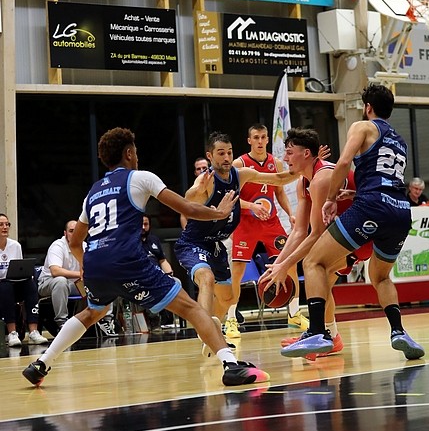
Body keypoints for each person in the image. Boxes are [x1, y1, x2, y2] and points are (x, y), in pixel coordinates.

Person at [22, 127, 269, 388]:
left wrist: (85, 265)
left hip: (95, 262)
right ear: (129, 153)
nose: (137, 156)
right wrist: (219, 213)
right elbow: (187, 208)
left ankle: (41, 364)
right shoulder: (141, 178)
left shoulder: (93, 191)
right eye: (136, 152)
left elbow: (75, 241)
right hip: (127, 260)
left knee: (92, 312)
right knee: (192, 308)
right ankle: (231, 365)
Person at [281, 84, 424, 360]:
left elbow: (344, 162)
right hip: (400, 211)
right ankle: (398, 331)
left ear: (368, 107)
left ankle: (318, 332)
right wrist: (356, 193)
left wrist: (331, 198)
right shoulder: (400, 141)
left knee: (313, 262)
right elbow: (386, 178)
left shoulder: (362, 126)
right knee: (380, 276)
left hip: (371, 207)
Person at [174, 130, 300, 354]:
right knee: (206, 278)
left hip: (217, 244)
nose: (226, 157)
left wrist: (305, 167)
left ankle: (211, 333)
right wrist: (198, 191)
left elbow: (279, 179)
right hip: (195, 242)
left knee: (227, 298)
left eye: (229, 152)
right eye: (220, 153)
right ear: (210, 156)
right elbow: (188, 198)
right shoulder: (206, 180)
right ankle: (207, 334)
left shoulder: (240, 175)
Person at [259, 127, 372, 357]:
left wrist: (285, 265)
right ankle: (328, 336)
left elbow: (316, 234)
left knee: (316, 269)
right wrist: (277, 265)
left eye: (289, 153)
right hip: (342, 234)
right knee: (321, 280)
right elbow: (299, 231)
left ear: (307, 154)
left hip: (365, 232)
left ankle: (320, 334)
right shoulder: (304, 182)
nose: (285, 158)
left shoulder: (322, 179)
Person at [225, 123, 305, 340]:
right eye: (256, 137)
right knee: (237, 270)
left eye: (263, 137)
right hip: (246, 223)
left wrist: (290, 213)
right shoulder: (239, 164)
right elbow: (230, 198)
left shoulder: (275, 163)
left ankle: (294, 313)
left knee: (289, 262)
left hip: (271, 222)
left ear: (268, 139)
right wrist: (251, 206)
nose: (260, 141)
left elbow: (280, 192)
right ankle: (231, 319)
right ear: (249, 140)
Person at [0, 213, 48, 347]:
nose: (5, 227)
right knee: (5, 287)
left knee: (30, 284)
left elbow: (19, 269)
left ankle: (33, 331)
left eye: (7, 224)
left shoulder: (15, 246)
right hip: (2, 286)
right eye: (1, 225)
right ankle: (12, 332)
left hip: (15, 284)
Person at [37, 220, 84, 331]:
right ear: (65, 233)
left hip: (74, 285)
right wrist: (80, 274)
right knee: (61, 281)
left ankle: (104, 320)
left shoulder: (85, 246)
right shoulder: (57, 246)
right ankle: (62, 322)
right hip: (48, 283)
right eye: (71, 231)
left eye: (77, 231)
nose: (74, 234)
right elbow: (55, 271)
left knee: (100, 280)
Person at [140, 214, 174, 330]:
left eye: (146, 224)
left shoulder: (154, 240)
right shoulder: (130, 242)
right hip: (141, 277)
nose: (143, 227)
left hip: (158, 276)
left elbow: (162, 260)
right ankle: (154, 317)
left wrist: (169, 273)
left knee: (175, 283)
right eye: (141, 224)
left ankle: (168, 319)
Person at [180, 157, 210, 230]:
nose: (202, 171)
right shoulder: (191, 192)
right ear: (195, 173)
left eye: (204, 168)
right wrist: (187, 232)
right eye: (198, 169)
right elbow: (183, 215)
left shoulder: (218, 186)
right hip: (198, 230)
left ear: (210, 169)